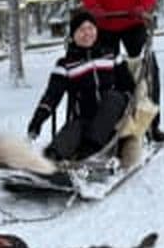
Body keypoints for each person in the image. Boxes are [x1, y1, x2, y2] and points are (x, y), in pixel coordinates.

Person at [27, 10, 135, 161]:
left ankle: (89, 154)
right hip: (84, 120)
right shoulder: (66, 65)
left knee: (114, 97)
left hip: (113, 119)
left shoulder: (111, 55)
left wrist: (128, 102)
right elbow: (51, 97)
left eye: (90, 28)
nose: (87, 33)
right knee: (69, 134)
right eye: (81, 30)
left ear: (96, 30)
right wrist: (36, 122)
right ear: (73, 35)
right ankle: (49, 161)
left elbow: (129, 86)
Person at [79, 0, 164, 142]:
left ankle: (152, 125)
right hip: (104, 24)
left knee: (148, 70)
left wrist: (144, 6)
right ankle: (108, 127)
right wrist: (93, 7)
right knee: (106, 77)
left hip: (133, 22)